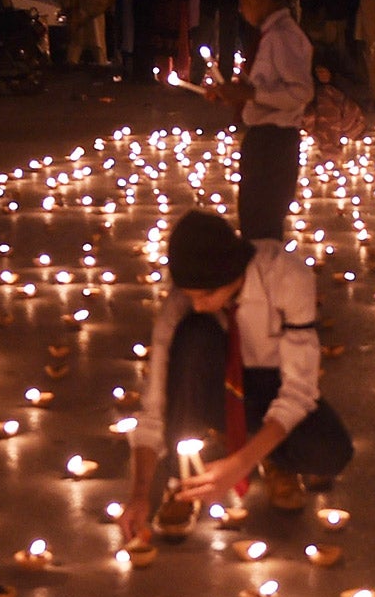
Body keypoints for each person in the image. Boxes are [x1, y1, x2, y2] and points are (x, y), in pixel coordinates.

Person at [126, 212, 352, 535]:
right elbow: (155, 404)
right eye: (191, 295)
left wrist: (242, 462)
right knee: (192, 335)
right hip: (221, 386)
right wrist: (138, 496)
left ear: (232, 273)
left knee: (330, 452)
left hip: (274, 383)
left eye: (205, 295)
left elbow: (299, 390)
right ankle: (185, 482)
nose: (199, 304)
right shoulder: (184, 306)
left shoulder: (287, 277)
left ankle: (270, 456)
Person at [210, 0, 312, 242]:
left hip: (274, 144)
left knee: (261, 228)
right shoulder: (271, 35)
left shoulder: (283, 37)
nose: (242, 10)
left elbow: (301, 92)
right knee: (256, 224)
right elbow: (266, 85)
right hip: (264, 140)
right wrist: (234, 92)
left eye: (243, 1)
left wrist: (250, 95)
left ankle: (265, 280)